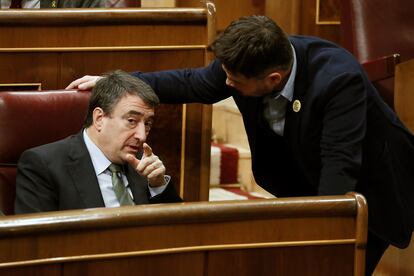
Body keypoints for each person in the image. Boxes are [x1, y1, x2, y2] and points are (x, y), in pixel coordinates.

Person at [67, 15, 414, 275]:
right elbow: (192, 83)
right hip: (309, 174)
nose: (226, 84)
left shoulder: (338, 80)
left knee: (336, 266)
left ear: (273, 80)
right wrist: (121, 83)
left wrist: (318, 240)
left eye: (233, 81)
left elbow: (340, 168)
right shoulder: (248, 61)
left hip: (372, 185)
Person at [16, 70, 182, 214]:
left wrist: (158, 185)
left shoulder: (143, 163)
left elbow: (180, 232)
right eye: (132, 120)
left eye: (147, 124)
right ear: (99, 118)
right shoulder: (43, 166)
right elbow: (36, 244)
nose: (142, 136)